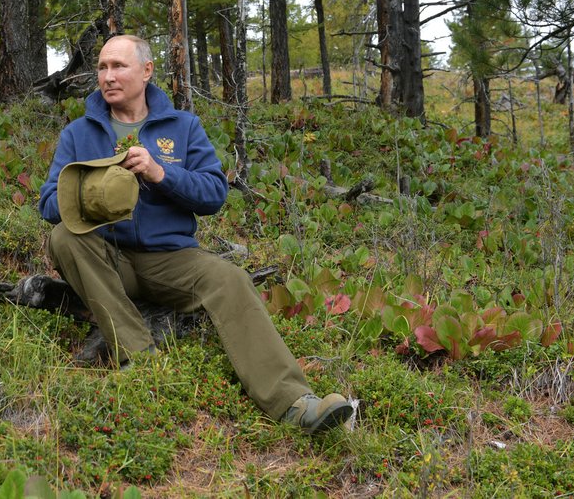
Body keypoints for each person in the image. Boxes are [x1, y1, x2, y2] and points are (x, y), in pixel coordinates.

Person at [38, 34, 353, 434]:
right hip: (107, 257)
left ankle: (293, 403)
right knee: (65, 237)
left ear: (147, 70)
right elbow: (48, 204)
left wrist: (160, 172)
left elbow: (213, 194)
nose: (108, 76)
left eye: (119, 66)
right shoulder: (78, 134)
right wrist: (94, 191)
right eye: (102, 67)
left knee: (231, 278)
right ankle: (141, 359)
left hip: (171, 259)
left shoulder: (183, 127)